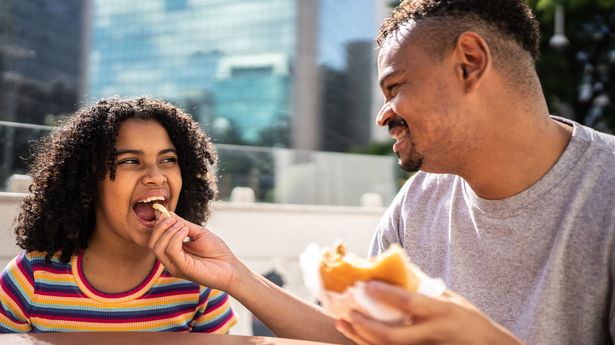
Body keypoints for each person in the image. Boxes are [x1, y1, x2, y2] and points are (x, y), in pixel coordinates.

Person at [151, 1, 615, 344]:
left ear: (469, 63)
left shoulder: (606, 189)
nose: (382, 115)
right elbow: (357, 338)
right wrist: (233, 274)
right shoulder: (419, 201)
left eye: (395, 87)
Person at [0, 97, 236, 333]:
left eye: (168, 160)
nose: (156, 176)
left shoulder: (199, 282)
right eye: (131, 161)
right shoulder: (30, 278)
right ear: (89, 180)